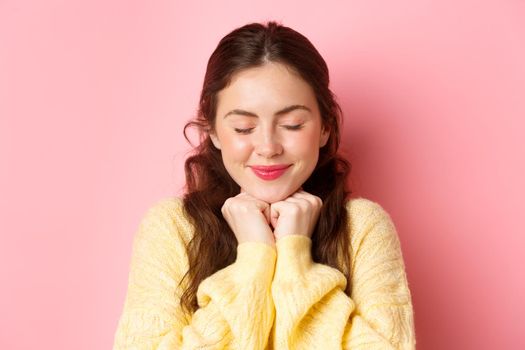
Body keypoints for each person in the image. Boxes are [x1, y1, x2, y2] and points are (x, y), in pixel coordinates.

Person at [113, 21, 416, 349]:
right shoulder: (172, 227)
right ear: (213, 130)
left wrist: (294, 256)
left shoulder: (362, 228)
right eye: (244, 128)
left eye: (292, 124)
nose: (269, 147)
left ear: (326, 127)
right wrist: (254, 261)